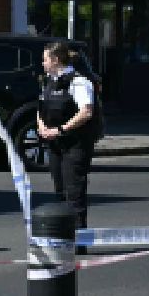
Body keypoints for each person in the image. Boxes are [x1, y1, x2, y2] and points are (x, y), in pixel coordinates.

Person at [36, 41, 98, 247]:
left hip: (75, 144)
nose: (42, 63)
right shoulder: (50, 81)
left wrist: (61, 130)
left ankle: (79, 241)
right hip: (55, 145)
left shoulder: (79, 82)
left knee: (75, 192)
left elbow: (86, 112)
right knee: (60, 190)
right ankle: (63, 237)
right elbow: (40, 107)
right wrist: (43, 127)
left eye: (45, 59)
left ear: (55, 60)